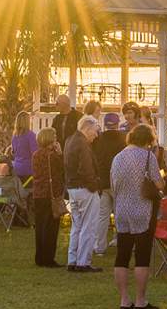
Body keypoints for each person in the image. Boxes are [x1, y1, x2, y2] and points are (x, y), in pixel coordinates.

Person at [110, 123, 163, 309]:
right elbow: (158, 184)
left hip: (122, 209)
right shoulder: (149, 157)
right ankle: (141, 300)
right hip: (143, 210)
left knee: (122, 255)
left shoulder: (117, 158)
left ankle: (124, 299)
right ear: (148, 140)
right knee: (142, 256)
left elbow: (113, 184)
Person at [64, 116, 102, 273]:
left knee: (77, 226)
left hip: (72, 188)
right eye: (95, 130)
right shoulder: (82, 144)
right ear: (87, 128)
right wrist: (94, 186)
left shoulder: (70, 140)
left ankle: (72, 260)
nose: (96, 135)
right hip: (84, 188)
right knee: (89, 226)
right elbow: (86, 169)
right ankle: (83, 262)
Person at [93, 112, 126, 255]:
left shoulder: (98, 139)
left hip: (103, 181)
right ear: (117, 123)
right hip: (119, 181)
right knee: (120, 214)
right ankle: (119, 241)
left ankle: (100, 247)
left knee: (102, 215)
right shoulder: (124, 138)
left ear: (105, 124)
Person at [31, 127, 64, 268]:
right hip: (50, 194)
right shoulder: (53, 156)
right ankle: (49, 258)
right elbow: (62, 170)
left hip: (38, 193)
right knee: (51, 227)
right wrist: (60, 153)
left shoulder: (36, 154)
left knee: (40, 227)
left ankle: (40, 256)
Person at [11, 112, 38, 182]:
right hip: (27, 168)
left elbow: (13, 152)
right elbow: (35, 154)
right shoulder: (31, 135)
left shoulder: (15, 136)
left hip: (16, 167)